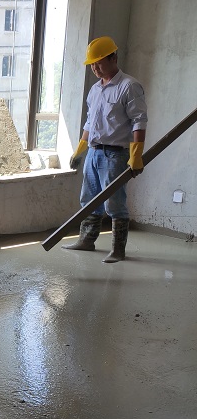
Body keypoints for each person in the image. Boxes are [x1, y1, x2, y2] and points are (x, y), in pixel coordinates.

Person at [64, 36, 147, 263]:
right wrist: (80, 149)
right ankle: (86, 240)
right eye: (92, 64)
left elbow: (139, 121)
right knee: (89, 198)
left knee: (114, 203)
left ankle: (118, 250)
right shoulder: (95, 90)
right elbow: (90, 122)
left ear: (113, 58)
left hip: (115, 155)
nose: (95, 68)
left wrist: (136, 154)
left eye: (99, 62)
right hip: (94, 152)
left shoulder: (128, 87)